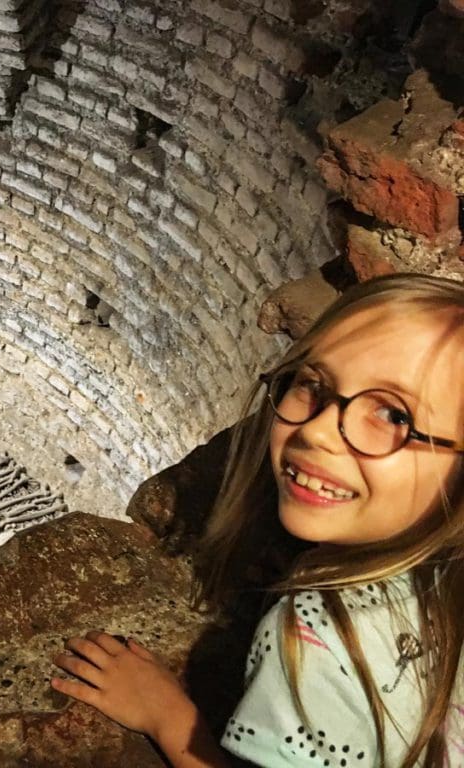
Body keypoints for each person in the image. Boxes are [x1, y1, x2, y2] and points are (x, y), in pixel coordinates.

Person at [51, 273, 464, 767]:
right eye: (313, 384)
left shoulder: (313, 636)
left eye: (394, 416)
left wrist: (169, 718)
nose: (317, 432)